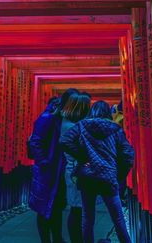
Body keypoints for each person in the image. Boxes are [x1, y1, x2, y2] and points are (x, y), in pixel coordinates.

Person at [60, 100, 135, 243]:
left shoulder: (81, 126)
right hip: (108, 178)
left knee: (88, 219)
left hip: (87, 177)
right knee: (118, 219)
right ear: (107, 112)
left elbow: (65, 141)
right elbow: (128, 155)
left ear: (92, 111)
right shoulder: (115, 128)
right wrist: (119, 175)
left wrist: (82, 157)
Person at [29, 88, 79, 243]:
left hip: (59, 171)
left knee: (56, 207)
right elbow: (35, 141)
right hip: (48, 171)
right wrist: (44, 162)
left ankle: (57, 238)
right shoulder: (48, 118)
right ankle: (46, 240)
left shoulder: (63, 118)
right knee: (44, 207)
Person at [60, 92, 91, 243]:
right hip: (75, 171)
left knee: (77, 209)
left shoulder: (68, 123)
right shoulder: (71, 127)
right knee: (77, 209)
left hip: (75, 170)